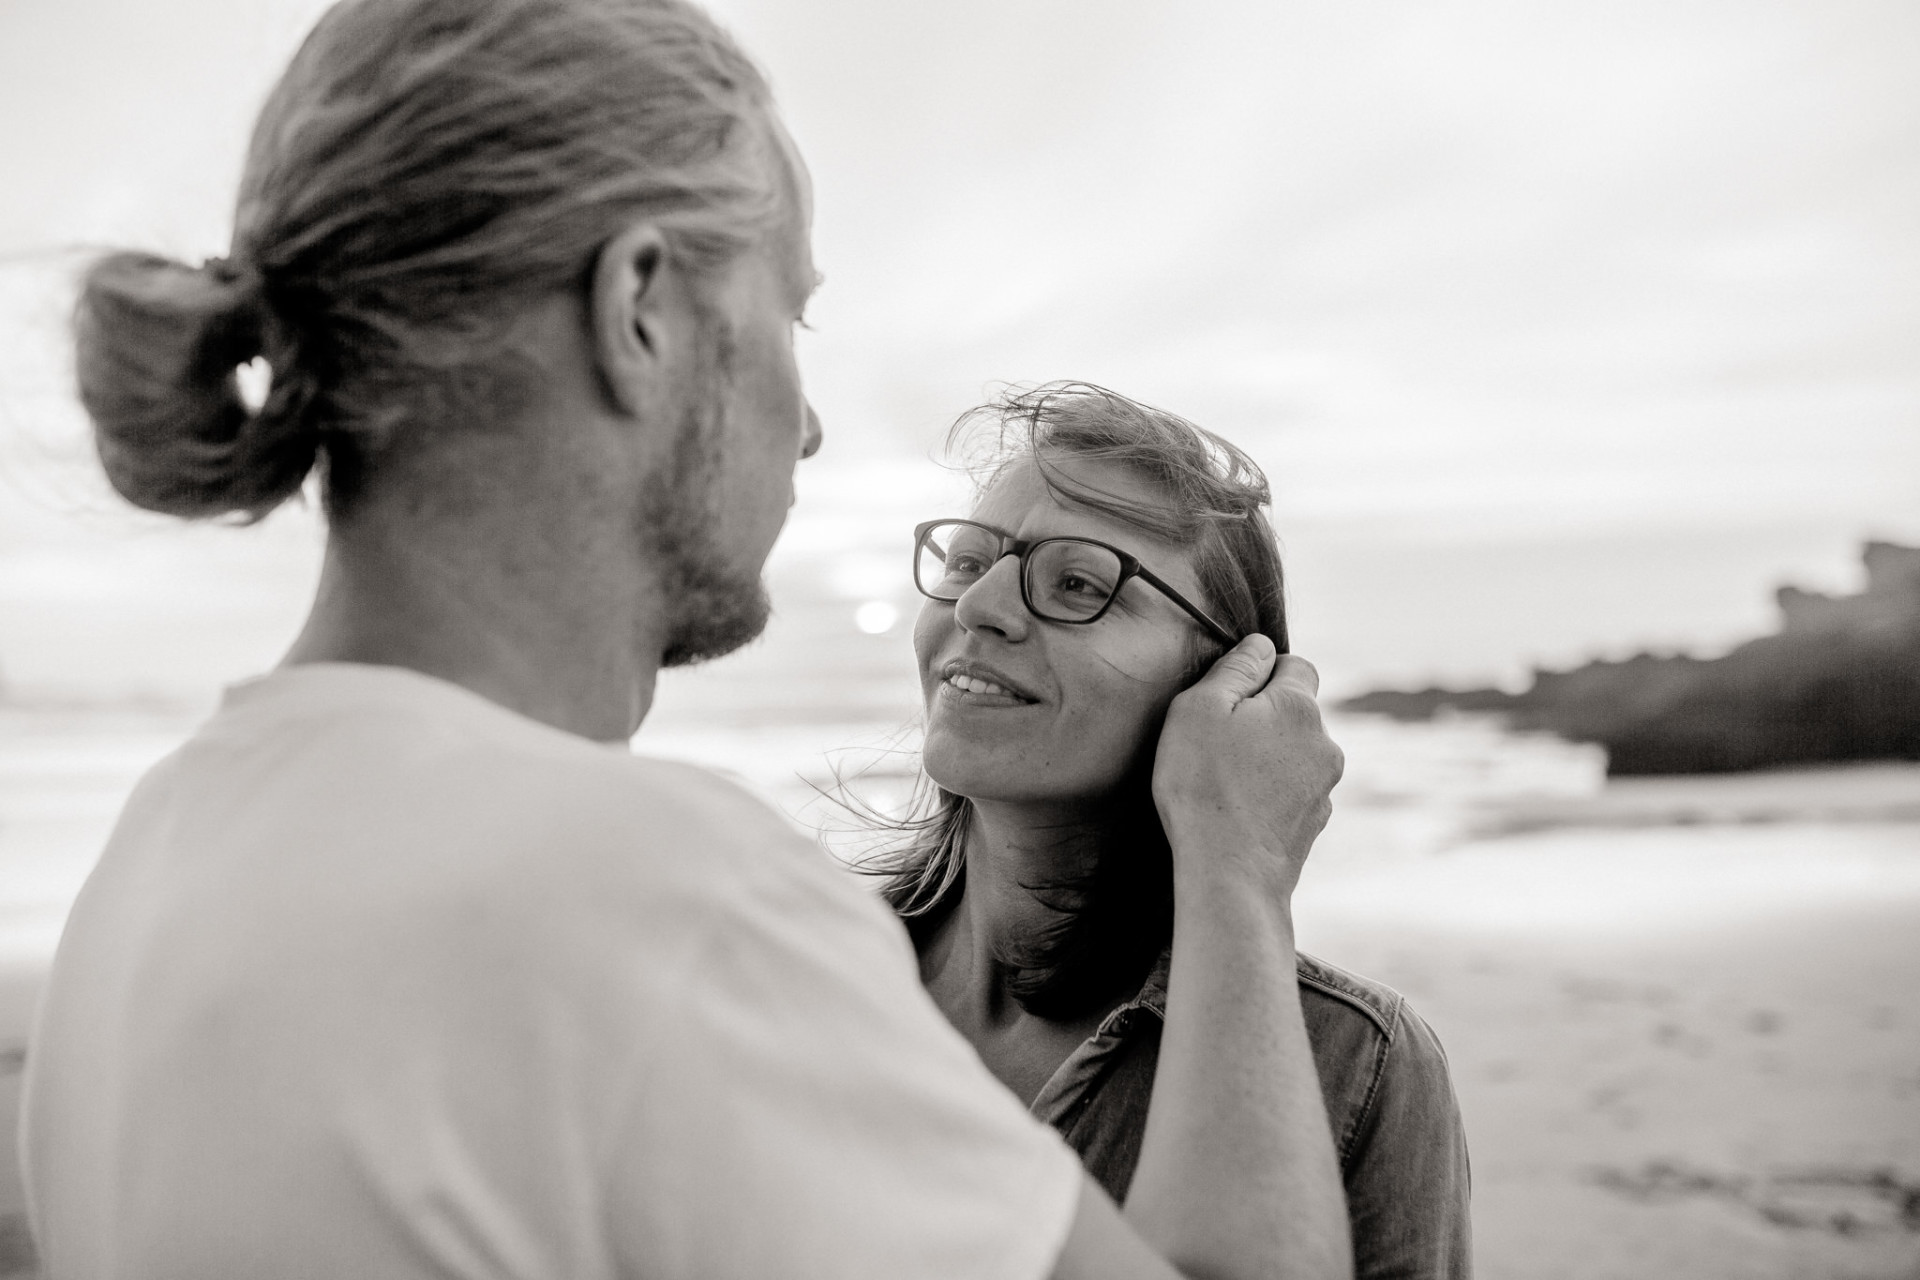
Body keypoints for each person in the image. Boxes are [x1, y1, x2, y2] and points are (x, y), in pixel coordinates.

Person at [20, 2, 1353, 1278]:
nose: (810, 422)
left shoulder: (152, 862)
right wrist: (1235, 873)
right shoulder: (662, 902)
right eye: (790, 313)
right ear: (642, 310)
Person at [863, 383, 1471, 1279]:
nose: (979, 606)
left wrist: (1235, 864)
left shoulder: (1352, 1060)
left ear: (1225, 689)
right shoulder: (805, 962)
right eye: (966, 561)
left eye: (1077, 583)